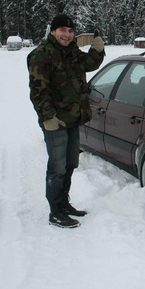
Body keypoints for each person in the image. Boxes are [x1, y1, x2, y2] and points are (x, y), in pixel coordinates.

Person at [28, 14, 105, 228]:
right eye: (63, 30)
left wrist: (97, 50)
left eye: (70, 31)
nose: (67, 35)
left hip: (73, 118)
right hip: (55, 122)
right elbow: (38, 92)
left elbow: (88, 64)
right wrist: (48, 117)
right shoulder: (41, 56)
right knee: (57, 167)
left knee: (71, 163)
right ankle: (54, 211)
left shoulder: (71, 52)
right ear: (53, 31)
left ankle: (63, 203)